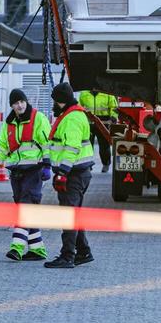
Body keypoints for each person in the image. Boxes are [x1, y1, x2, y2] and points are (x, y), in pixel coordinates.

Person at [0, 89, 52, 261]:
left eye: (22, 101)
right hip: (16, 172)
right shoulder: (9, 124)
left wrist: (47, 165)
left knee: (25, 208)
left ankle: (16, 248)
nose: (20, 105)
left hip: (34, 170)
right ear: (12, 106)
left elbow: (47, 144)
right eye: (16, 103)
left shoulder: (38, 118)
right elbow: (3, 148)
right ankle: (38, 250)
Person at [44, 83, 96, 269]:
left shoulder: (72, 118)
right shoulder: (73, 114)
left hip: (73, 174)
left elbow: (72, 148)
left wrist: (63, 172)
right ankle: (83, 252)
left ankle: (67, 256)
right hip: (78, 173)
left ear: (60, 101)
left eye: (54, 101)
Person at [79, 89, 118, 173]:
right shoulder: (84, 93)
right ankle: (88, 164)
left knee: (104, 145)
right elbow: (79, 108)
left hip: (103, 122)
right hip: (88, 123)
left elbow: (114, 107)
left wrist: (113, 117)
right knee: (87, 145)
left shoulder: (107, 93)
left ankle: (106, 164)